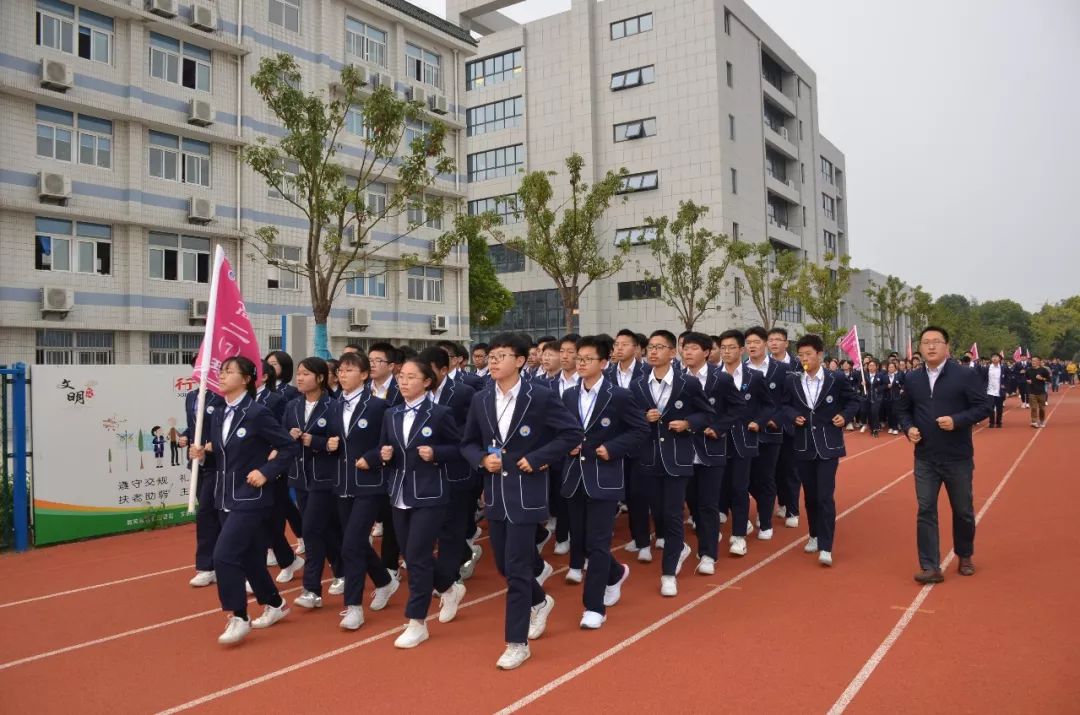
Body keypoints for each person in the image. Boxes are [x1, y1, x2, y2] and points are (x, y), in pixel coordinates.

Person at [460, 332, 582, 670]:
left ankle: (516, 642)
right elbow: (468, 443)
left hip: (527, 493)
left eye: (501, 355)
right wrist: (482, 461)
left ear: (520, 360)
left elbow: (571, 433)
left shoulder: (539, 396)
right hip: (495, 493)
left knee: (515, 569)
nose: (494, 361)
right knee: (504, 565)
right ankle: (540, 601)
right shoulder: (481, 399)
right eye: (491, 356)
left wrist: (540, 457)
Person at [187, 356, 300, 645]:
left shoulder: (257, 413)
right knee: (250, 557)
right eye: (221, 371)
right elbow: (224, 453)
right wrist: (204, 453)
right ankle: (275, 604)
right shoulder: (219, 411)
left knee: (224, 556)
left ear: (247, 379)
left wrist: (266, 471)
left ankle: (238, 615)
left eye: (229, 372)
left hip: (252, 497)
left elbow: (288, 446)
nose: (222, 376)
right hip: (224, 496)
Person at [561, 335, 648, 628]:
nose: (581, 363)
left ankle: (593, 606)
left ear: (603, 361)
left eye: (587, 359)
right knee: (583, 542)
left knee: (598, 543)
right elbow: (564, 431)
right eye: (578, 358)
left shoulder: (618, 395)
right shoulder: (569, 395)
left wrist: (612, 448)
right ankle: (614, 574)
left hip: (604, 477)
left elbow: (639, 430)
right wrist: (567, 445)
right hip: (574, 477)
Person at [896, 326, 992, 584]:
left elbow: (984, 406)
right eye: (925, 342)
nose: (930, 346)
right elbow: (903, 410)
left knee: (962, 510)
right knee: (926, 509)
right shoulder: (912, 378)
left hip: (957, 457)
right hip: (925, 457)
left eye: (936, 342)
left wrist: (958, 420)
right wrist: (909, 428)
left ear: (946, 346)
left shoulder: (964, 375)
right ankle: (930, 565)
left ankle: (965, 554)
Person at [379, 358, 462, 648]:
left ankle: (416, 621)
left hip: (430, 493)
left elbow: (460, 448)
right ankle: (449, 588)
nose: (403, 382)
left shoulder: (440, 413)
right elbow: (384, 448)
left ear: (427, 381)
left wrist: (437, 452)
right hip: (399, 493)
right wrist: (384, 455)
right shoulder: (392, 413)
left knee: (416, 555)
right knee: (413, 555)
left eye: (411, 377)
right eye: (401, 376)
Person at [629, 330, 714, 596]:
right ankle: (678, 550)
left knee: (674, 514)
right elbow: (630, 419)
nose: (653, 352)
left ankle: (668, 574)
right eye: (650, 347)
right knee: (660, 515)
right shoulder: (638, 385)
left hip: (678, 458)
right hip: (649, 459)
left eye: (660, 347)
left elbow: (707, 413)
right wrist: (644, 418)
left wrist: (688, 423)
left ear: (672, 352)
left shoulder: (687, 384)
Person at [327, 351, 399, 631]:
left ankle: (353, 606)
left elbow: (388, 443)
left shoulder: (377, 407)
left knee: (351, 544)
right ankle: (384, 580)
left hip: (370, 484)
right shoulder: (333, 405)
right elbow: (329, 440)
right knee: (354, 541)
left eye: (349, 370)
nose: (342, 374)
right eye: (341, 370)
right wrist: (326, 444)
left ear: (364, 375)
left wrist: (371, 457)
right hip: (342, 483)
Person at [781, 334, 859, 567]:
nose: (804, 359)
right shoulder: (793, 381)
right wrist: (794, 416)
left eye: (809, 354)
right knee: (811, 495)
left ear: (820, 355)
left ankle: (826, 545)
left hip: (828, 445)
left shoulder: (836, 379)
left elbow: (853, 401)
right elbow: (784, 405)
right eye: (801, 355)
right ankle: (814, 535)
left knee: (825, 496)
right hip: (803, 444)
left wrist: (844, 416)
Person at [419, 346, 481, 610]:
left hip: (456, 471)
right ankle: (463, 557)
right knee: (427, 531)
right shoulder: (412, 394)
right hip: (423, 474)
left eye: (428, 370)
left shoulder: (464, 393)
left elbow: (468, 436)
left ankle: (449, 580)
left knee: (450, 529)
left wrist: (438, 450)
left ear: (444, 369)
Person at [680, 331, 743, 574]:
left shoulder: (721, 379)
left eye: (693, 348)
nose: (687, 352)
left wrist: (718, 428)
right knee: (691, 503)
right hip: (683, 449)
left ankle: (708, 554)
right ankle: (696, 543)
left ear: (706, 352)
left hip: (712, 449)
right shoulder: (676, 378)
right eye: (685, 348)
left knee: (708, 504)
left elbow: (738, 407)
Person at [285, 357, 344, 610]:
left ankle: (311, 589)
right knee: (327, 529)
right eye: (298, 374)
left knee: (310, 530)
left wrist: (315, 442)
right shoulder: (293, 406)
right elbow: (282, 435)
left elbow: (339, 442)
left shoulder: (332, 406)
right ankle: (345, 571)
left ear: (320, 378)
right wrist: (290, 436)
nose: (299, 378)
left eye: (305, 374)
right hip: (300, 477)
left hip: (324, 478)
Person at [716, 329, 768, 557]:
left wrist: (759, 421)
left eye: (731, 347)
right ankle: (738, 520)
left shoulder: (754, 377)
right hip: (715, 441)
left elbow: (768, 405)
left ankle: (738, 536)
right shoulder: (712, 376)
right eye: (723, 348)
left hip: (743, 440)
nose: (726, 352)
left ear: (741, 350)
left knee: (739, 488)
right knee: (720, 490)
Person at [180, 355, 224, 588]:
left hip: (220, 464)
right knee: (206, 513)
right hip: (200, 465)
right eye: (198, 368)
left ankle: (220, 564)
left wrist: (212, 445)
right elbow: (195, 425)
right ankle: (207, 566)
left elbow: (228, 427)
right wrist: (186, 436)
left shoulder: (222, 397)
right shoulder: (192, 397)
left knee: (216, 513)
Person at [743, 326, 787, 539]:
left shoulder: (780, 369)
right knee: (747, 478)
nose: (752, 346)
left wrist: (774, 420)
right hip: (747, 432)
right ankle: (764, 505)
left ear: (765, 344)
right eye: (748, 343)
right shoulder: (741, 369)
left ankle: (766, 521)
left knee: (766, 476)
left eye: (756, 342)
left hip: (771, 432)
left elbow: (787, 400)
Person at [1025, 356, 1051, 428]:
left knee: (1042, 408)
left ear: (1039, 362)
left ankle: (1042, 420)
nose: (1033, 362)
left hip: (1041, 392)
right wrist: (1027, 381)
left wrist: (1042, 378)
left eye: (1035, 360)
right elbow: (1025, 378)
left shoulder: (1043, 370)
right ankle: (1034, 421)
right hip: (1032, 391)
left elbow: (1049, 380)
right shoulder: (1028, 370)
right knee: (1033, 407)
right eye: (1032, 361)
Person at [984, 353, 1007, 428]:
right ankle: (991, 422)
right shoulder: (987, 368)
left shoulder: (1003, 368)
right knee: (990, 407)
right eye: (993, 357)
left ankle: (999, 422)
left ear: (999, 359)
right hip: (990, 391)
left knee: (999, 408)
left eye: (996, 357)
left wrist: (1005, 385)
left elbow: (1008, 377)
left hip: (999, 391)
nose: (994, 358)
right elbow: (983, 378)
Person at [883, 361, 905, 434]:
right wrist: (886, 386)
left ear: (895, 368)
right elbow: (881, 387)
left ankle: (895, 428)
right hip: (887, 397)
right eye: (889, 367)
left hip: (896, 397)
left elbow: (903, 384)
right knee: (889, 412)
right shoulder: (885, 376)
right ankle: (891, 427)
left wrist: (902, 389)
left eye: (892, 367)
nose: (891, 368)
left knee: (894, 412)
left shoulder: (899, 375)